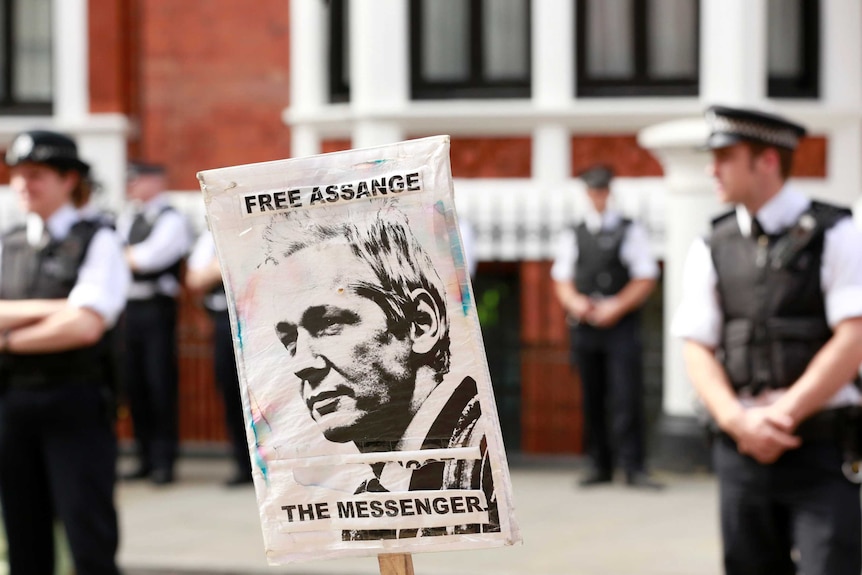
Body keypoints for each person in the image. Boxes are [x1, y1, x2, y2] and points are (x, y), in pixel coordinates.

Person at [672, 105, 862, 575]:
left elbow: (854, 335)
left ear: (768, 161)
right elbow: (696, 345)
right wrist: (739, 422)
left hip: (822, 448)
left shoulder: (838, 232)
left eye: (725, 156)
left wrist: (781, 416)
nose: (711, 168)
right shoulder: (710, 244)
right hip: (741, 452)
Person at [258, 203, 499, 539]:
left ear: (421, 324)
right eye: (289, 342)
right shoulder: (372, 494)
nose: (301, 365)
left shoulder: (483, 458)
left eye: (328, 323)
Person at [0, 130, 129, 574]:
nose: (22, 184)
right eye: (17, 174)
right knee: (23, 537)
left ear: (69, 179)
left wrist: (8, 338)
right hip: (12, 403)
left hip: (74, 402)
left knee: (87, 534)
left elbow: (85, 325)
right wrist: (59, 306)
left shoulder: (99, 239)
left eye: (36, 174)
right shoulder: (9, 242)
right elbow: (73, 312)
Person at [551, 164, 663, 490]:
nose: (598, 196)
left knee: (627, 395)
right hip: (586, 325)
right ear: (587, 194)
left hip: (620, 325)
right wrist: (575, 303)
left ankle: (633, 466)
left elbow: (645, 277)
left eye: (602, 190)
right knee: (592, 395)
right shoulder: (575, 232)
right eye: (592, 191)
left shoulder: (630, 229)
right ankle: (599, 464)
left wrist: (617, 306)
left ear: (609, 192)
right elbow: (562, 279)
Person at [117, 161, 192, 485]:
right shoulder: (127, 217)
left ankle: (164, 461)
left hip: (156, 309)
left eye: (136, 180)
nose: (131, 186)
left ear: (155, 181)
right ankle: (145, 456)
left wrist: (120, 258)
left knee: (159, 384)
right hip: (128, 308)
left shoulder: (171, 219)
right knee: (133, 385)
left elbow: (149, 259)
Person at [185, 228, 253, 486]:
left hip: (255, 317)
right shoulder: (211, 234)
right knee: (230, 391)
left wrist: (214, 270)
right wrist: (224, 263)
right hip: (223, 320)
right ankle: (242, 464)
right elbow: (195, 280)